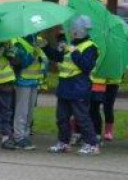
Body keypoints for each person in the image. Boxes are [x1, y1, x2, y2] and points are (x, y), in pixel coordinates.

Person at [46, 15, 100, 154]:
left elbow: (86, 66)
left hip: (79, 87)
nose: (71, 32)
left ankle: (92, 144)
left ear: (79, 30)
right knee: (62, 118)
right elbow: (58, 57)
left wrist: (74, 52)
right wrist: (45, 47)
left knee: (82, 117)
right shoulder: (72, 44)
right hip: (65, 86)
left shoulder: (90, 47)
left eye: (73, 29)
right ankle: (63, 143)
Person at [9, 33, 47, 150]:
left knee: (29, 111)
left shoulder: (37, 41)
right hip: (22, 81)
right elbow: (20, 63)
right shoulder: (18, 42)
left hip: (34, 81)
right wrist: (33, 55)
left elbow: (45, 61)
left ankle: (25, 135)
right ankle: (19, 137)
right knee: (22, 111)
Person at [0, 40, 17, 148]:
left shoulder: (8, 43)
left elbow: (16, 61)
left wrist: (8, 52)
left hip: (6, 83)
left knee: (6, 112)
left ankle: (6, 138)